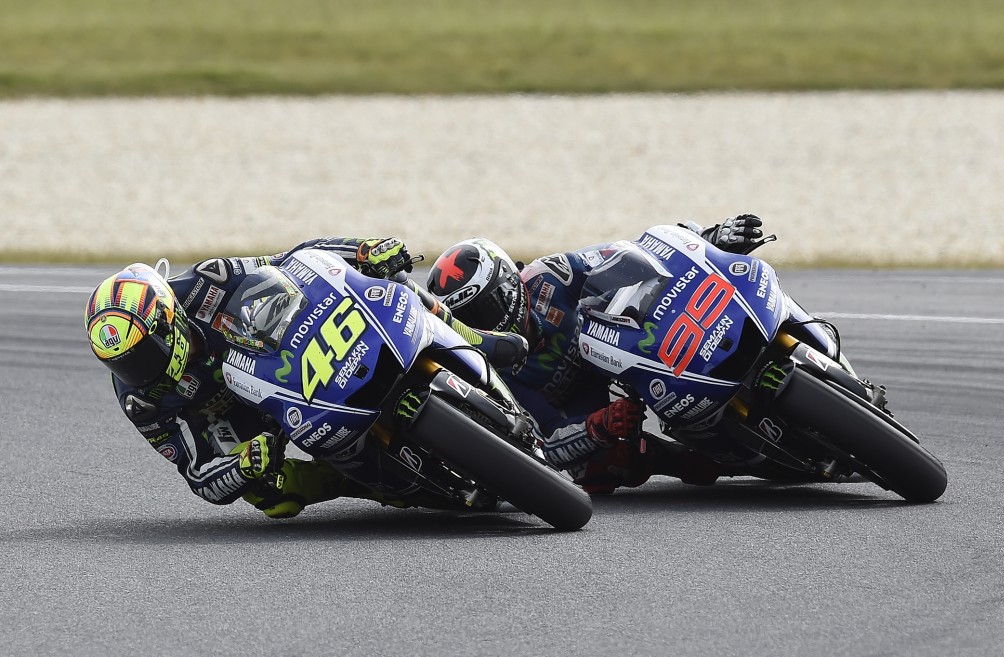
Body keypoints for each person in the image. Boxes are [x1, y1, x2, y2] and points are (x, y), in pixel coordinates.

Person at [425, 215, 769, 494]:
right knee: (597, 472)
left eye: (488, 305)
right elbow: (539, 445)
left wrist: (709, 238)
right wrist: (598, 426)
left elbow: (638, 256)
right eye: (472, 319)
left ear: (510, 281)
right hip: (578, 404)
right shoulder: (491, 370)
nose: (489, 321)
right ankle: (689, 459)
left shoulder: (550, 276)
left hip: (623, 341)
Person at [84, 236, 419, 518]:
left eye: (144, 353)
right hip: (240, 416)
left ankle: (467, 337)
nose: (136, 373)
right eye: (122, 365)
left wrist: (361, 250)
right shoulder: (141, 402)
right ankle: (370, 483)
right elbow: (198, 473)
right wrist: (242, 465)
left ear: (168, 320)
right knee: (273, 496)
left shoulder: (209, 279)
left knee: (389, 280)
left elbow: (295, 260)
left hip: (287, 357)